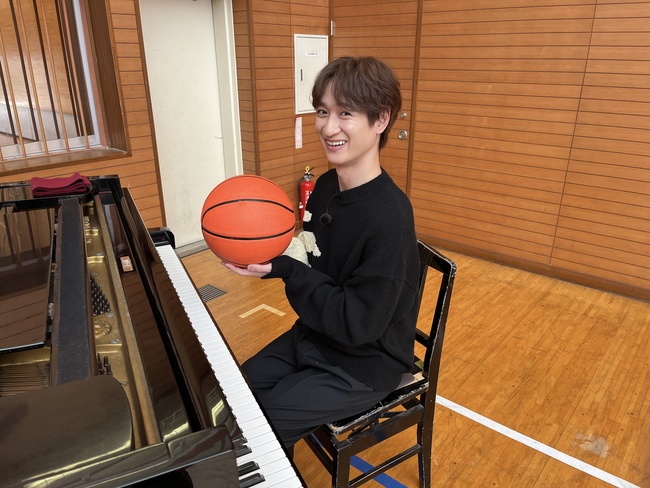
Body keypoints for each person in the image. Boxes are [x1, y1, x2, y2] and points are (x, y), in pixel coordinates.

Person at [223, 56, 420, 452]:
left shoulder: (390, 220)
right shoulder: (328, 185)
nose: (329, 128)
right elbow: (312, 257)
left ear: (381, 120)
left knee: (257, 431)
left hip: (362, 363)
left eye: (345, 113)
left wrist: (288, 271)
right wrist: (268, 256)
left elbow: (356, 325)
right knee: (229, 397)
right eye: (322, 111)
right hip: (315, 335)